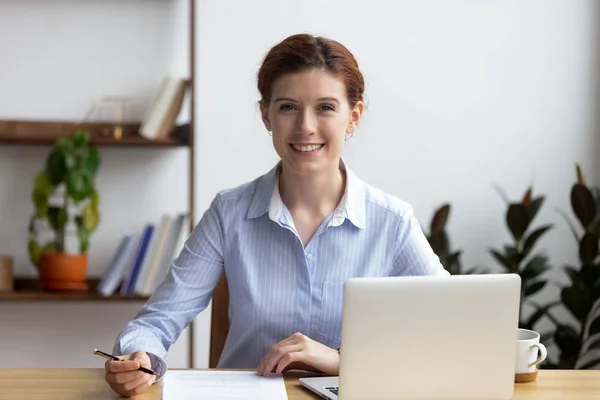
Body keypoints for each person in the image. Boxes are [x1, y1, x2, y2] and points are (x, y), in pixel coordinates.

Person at [104, 33, 448, 397]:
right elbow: (156, 321)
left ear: (354, 117)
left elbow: (452, 325)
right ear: (266, 115)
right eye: (287, 107)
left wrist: (343, 359)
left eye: (326, 107)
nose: (306, 127)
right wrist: (141, 358)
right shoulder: (229, 213)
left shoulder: (391, 222)